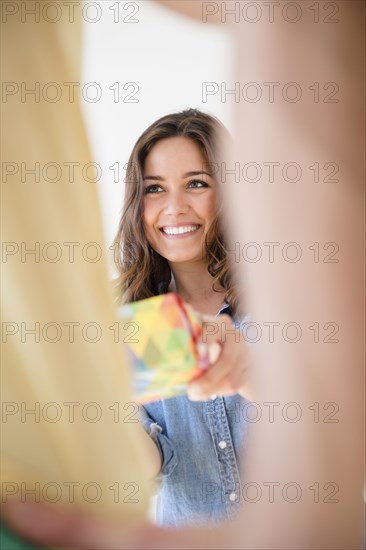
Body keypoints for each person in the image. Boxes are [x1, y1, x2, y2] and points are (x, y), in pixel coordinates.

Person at [113, 108, 253, 527]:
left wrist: (251, 376)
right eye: (154, 189)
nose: (174, 208)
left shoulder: (291, 301)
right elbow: (153, 467)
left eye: (196, 183)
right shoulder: (136, 325)